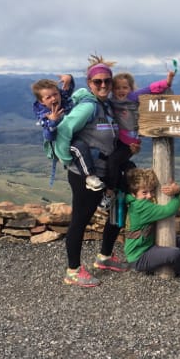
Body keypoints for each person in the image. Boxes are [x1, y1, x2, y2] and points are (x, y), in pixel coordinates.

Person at [58, 55, 134, 287]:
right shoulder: (88, 107)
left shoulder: (107, 106)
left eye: (107, 82)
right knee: (81, 219)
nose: (103, 86)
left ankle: (105, 257)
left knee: (117, 211)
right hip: (86, 173)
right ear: (89, 84)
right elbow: (64, 130)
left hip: (107, 171)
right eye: (97, 82)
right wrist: (64, 158)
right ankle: (72, 270)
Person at [101, 69, 176, 212]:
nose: (121, 90)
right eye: (117, 88)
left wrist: (167, 81)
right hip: (118, 141)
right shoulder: (111, 101)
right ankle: (128, 193)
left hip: (130, 142)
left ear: (130, 88)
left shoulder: (133, 97)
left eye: (125, 87)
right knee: (121, 165)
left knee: (113, 162)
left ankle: (109, 193)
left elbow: (151, 89)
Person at [124, 168, 180, 281]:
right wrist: (176, 194)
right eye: (144, 192)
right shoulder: (141, 207)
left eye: (151, 191)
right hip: (138, 257)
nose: (149, 196)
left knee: (179, 239)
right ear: (133, 193)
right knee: (174, 253)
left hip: (147, 248)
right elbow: (169, 210)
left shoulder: (136, 202)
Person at [31, 76, 104, 191]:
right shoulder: (45, 115)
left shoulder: (62, 98)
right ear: (42, 101)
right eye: (48, 97)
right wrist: (53, 122)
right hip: (59, 142)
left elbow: (67, 91)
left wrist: (69, 78)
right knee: (79, 147)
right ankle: (90, 176)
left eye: (55, 94)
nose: (53, 98)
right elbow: (48, 135)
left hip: (71, 135)